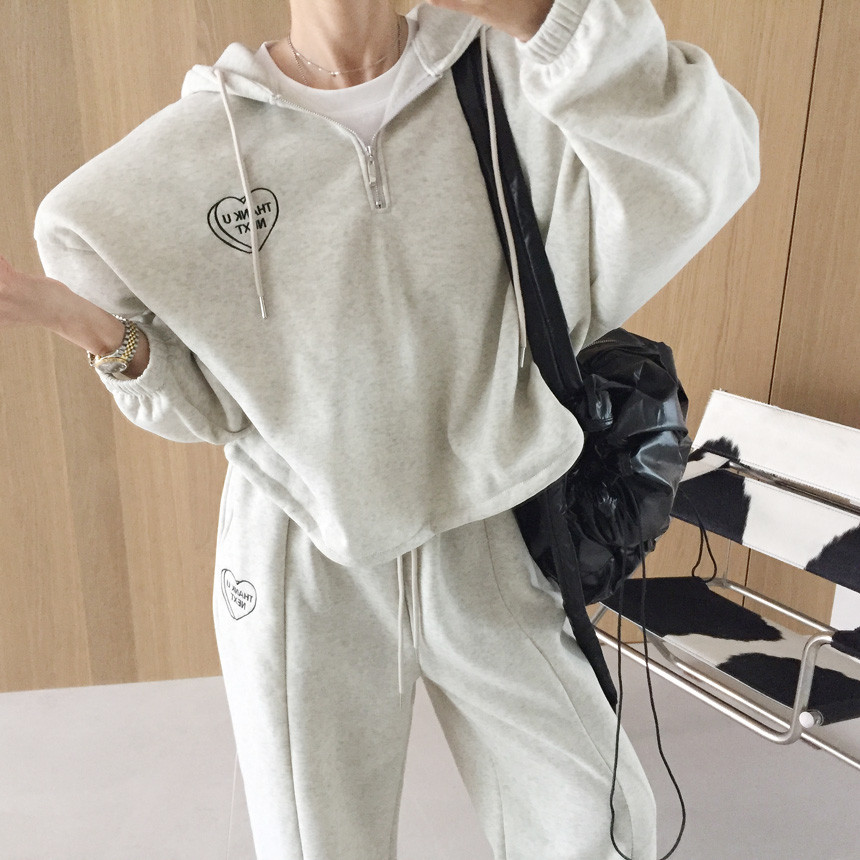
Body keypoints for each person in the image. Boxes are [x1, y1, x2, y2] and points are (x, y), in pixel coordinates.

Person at [0, 0, 760, 857]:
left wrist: (541, 18)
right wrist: (82, 324)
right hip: (299, 551)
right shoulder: (189, 153)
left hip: (484, 526)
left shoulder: (512, 78)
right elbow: (202, 404)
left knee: (597, 820)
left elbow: (701, 168)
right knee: (318, 843)